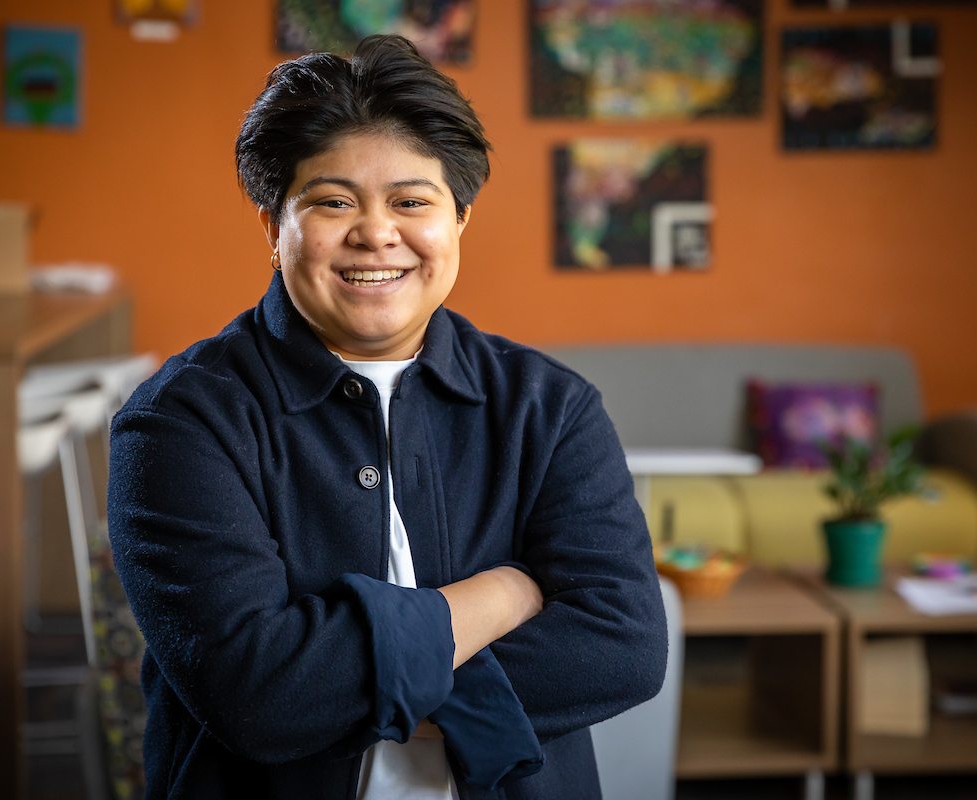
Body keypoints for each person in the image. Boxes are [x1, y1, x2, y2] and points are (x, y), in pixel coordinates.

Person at [107, 34, 668, 800]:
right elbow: (261, 698)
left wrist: (346, 683)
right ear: (274, 227)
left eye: (411, 201)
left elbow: (623, 649)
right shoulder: (179, 421)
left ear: (460, 220)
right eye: (333, 202)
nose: (376, 232)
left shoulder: (551, 408)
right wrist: (501, 595)